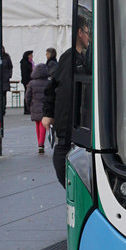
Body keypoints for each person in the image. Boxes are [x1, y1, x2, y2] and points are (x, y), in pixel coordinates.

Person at [42, 16, 91, 186]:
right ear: (79, 33)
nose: (89, 37)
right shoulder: (70, 59)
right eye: (87, 33)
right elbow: (55, 89)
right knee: (65, 167)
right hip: (67, 128)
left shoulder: (81, 58)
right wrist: (49, 114)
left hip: (73, 126)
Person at [24, 62, 52, 153]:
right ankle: (41, 144)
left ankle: (39, 143)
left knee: (37, 125)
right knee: (42, 126)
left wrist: (29, 106)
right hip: (44, 107)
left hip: (34, 106)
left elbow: (27, 97)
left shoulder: (31, 83)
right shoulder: (48, 82)